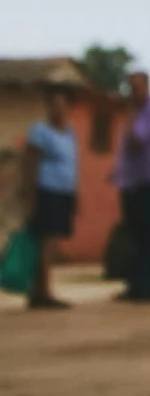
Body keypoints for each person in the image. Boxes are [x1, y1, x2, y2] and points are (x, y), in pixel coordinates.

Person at [113, 70, 150, 304]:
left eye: (136, 87)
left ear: (147, 87)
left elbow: (136, 141)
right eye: (130, 87)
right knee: (134, 236)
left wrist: (130, 115)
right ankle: (135, 286)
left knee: (149, 236)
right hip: (131, 182)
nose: (132, 92)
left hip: (149, 182)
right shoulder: (134, 114)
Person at [22, 84, 79, 310]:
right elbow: (30, 163)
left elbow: (73, 163)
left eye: (62, 105)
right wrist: (31, 194)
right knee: (45, 240)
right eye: (54, 105)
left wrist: (75, 192)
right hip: (46, 189)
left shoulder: (70, 132)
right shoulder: (40, 131)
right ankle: (42, 291)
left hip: (64, 191)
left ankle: (40, 289)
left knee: (54, 240)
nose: (58, 109)